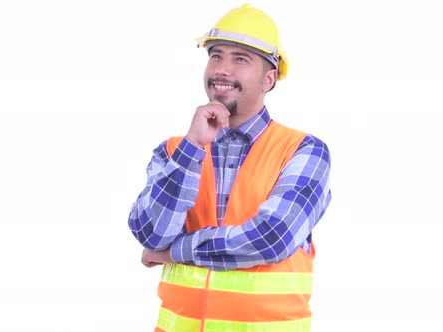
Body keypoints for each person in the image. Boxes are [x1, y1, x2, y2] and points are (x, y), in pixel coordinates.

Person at [127, 3, 331, 331]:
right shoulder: (174, 150)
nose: (222, 69)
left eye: (240, 59)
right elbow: (151, 234)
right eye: (216, 55)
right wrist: (192, 147)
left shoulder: (303, 150)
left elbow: (270, 239)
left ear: (269, 78)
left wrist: (175, 251)